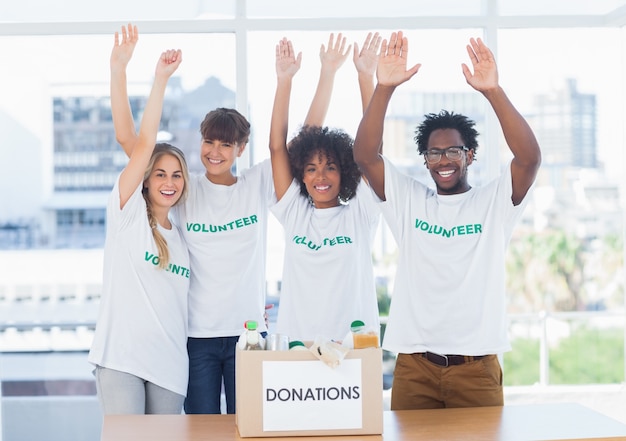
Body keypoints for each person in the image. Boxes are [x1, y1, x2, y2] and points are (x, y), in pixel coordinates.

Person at [109, 26, 357, 414]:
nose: (216, 151)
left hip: (250, 338)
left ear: (241, 149)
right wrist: (127, 71)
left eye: (227, 144)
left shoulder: (256, 184)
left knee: (252, 425)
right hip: (196, 339)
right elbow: (133, 143)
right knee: (202, 429)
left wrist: (309, 77)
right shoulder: (182, 189)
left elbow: (296, 142)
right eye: (210, 141)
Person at [353, 32, 541, 409]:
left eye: (453, 150)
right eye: (434, 153)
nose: (444, 160)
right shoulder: (409, 201)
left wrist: (493, 92)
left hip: (477, 369)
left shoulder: (492, 203)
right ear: (425, 160)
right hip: (415, 368)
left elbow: (529, 159)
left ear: (470, 155)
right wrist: (384, 88)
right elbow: (365, 157)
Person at [88, 30, 190, 415]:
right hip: (123, 361)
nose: (169, 182)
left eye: (177, 175)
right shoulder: (126, 214)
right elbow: (134, 141)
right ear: (146, 179)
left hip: (169, 366)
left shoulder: (181, 234)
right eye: (160, 174)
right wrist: (145, 75)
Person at [269, 34, 382, 342]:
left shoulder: (360, 214)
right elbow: (277, 148)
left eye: (330, 166)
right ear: (301, 176)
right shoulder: (294, 213)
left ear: (344, 172)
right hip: (298, 351)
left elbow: (371, 150)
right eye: (311, 168)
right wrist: (285, 81)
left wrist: (365, 78)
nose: (321, 176)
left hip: (354, 351)